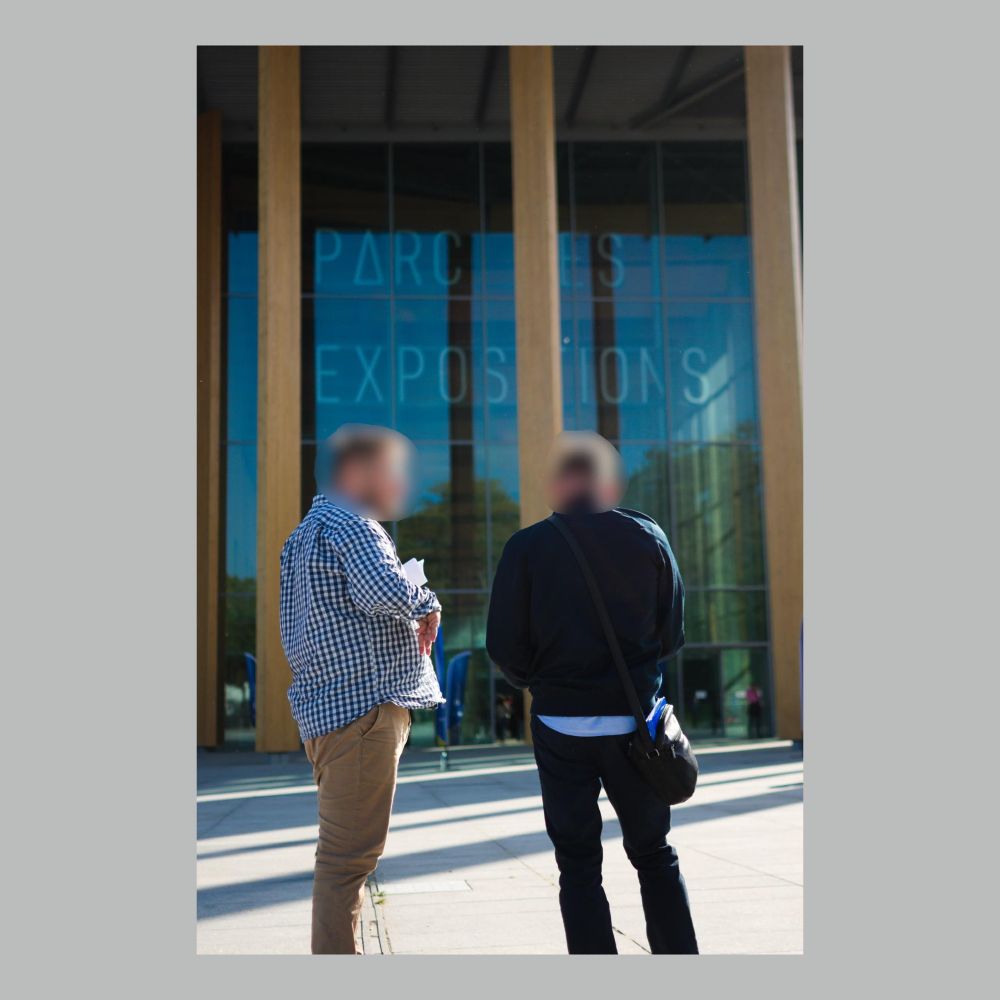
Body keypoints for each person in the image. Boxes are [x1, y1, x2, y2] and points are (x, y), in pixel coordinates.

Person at [486, 431, 698, 955]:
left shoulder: (527, 547)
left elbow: (504, 646)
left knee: (578, 866)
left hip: (562, 726)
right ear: (605, 481)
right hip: (636, 725)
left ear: (558, 484)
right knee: (654, 854)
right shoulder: (648, 537)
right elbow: (672, 634)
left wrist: (541, 684)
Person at [279, 424, 443, 954]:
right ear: (356, 472)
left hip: (329, 710)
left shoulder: (304, 532)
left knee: (343, 857)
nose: (397, 482)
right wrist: (427, 602)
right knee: (347, 861)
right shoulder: (353, 521)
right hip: (362, 709)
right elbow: (378, 590)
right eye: (389, 469)